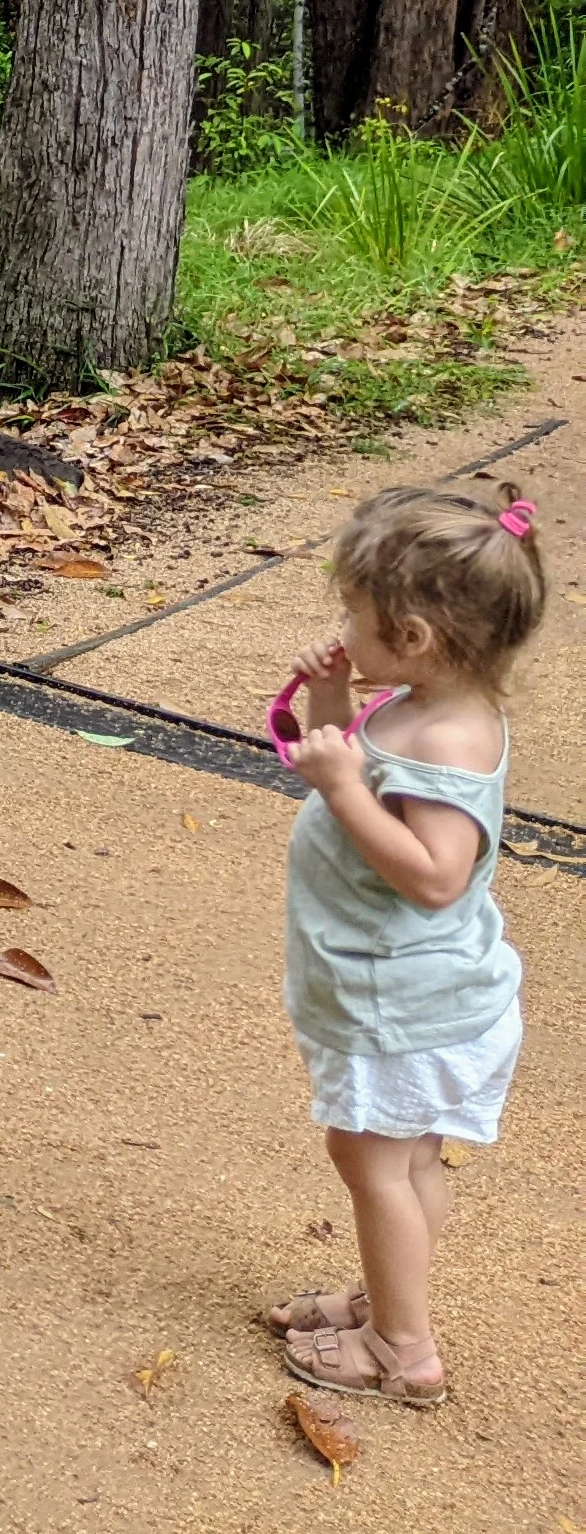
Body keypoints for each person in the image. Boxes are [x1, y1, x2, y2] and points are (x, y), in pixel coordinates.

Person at [265, 482, 545, 1410]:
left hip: (400, 1006)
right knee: (408, 1161)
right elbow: (352, 749)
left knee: (374, 1164)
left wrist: (344, 789)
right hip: (421, 999)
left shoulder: (448, 744)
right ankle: (393, 1297)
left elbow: (434, 874)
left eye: (358, 613)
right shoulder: (427, 701)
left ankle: (402, 1347)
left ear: (418, 636)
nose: (345, 621)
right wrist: (338, 697)